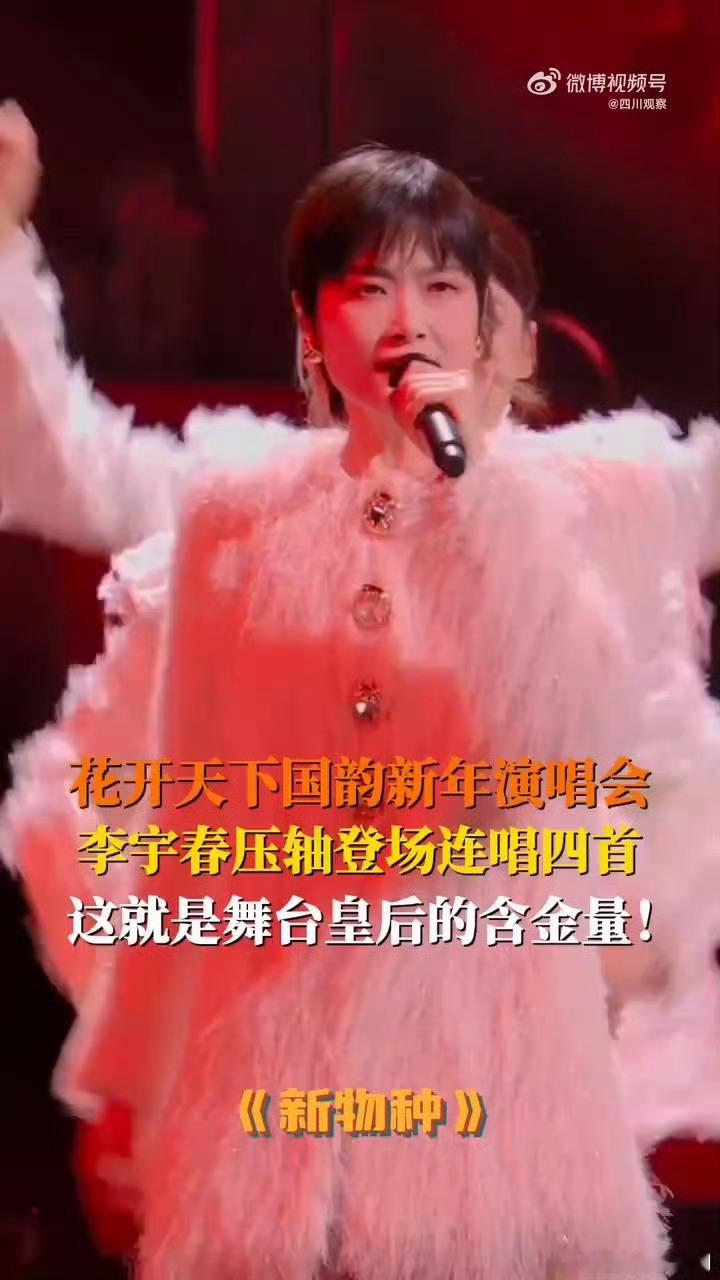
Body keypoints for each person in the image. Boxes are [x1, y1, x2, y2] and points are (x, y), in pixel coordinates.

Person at [2, 108, 720, 1278]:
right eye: (372, 290)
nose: (412, 324)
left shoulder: (592, 510)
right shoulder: (241, 514)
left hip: (503, 1112)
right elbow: (164, 814)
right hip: (275, 1110)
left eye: (445, 291)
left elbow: (624, 789)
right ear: (312, 327)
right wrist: (132, 1079)